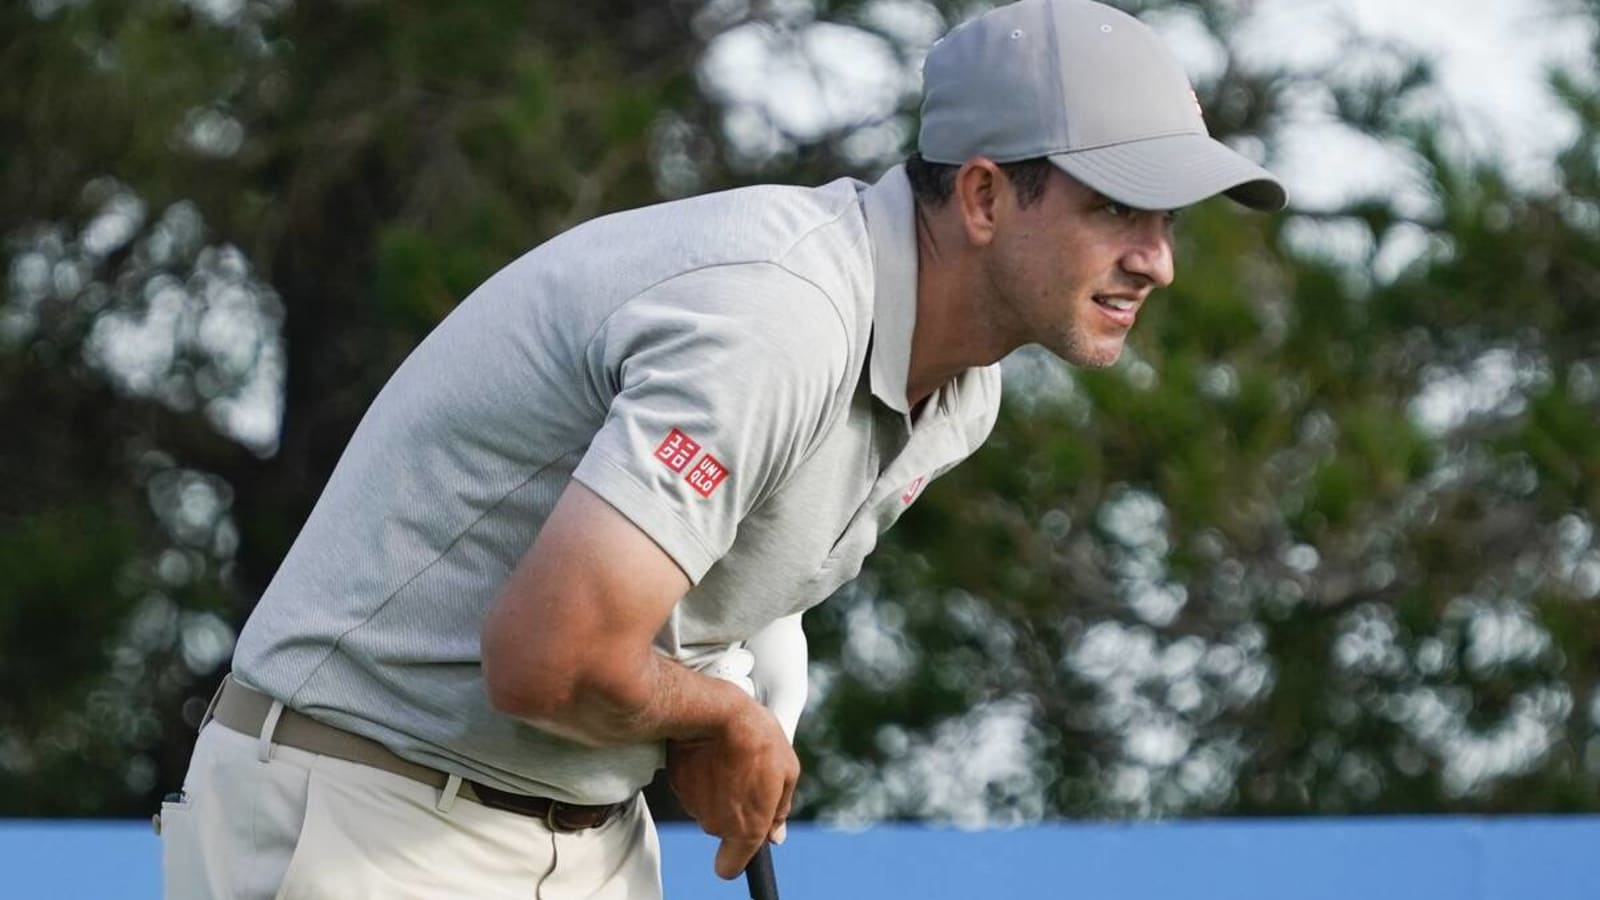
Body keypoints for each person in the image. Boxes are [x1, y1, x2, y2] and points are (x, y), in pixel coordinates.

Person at [157, 0, 1285, 897]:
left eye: (1168, 221)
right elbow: (544, 658)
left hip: (582, 834)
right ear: (984, 194)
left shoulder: (964, 392)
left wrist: (729, 707)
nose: (1158, 261)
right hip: (367, 812)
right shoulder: (777, 315)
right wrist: (721, 721)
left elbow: (732, 592)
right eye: (1119, 209)